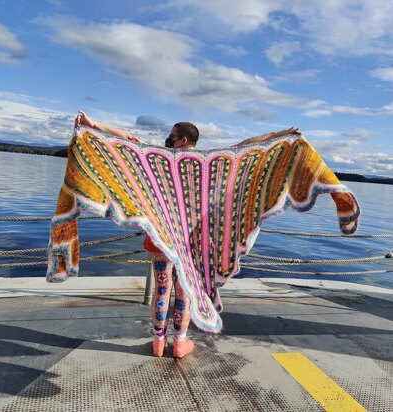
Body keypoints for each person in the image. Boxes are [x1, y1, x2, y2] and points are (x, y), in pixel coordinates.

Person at [75, 111, 300, 358]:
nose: (168, 139)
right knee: (184, 292)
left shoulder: (158, 159)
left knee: (162, 289)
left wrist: (93, 125)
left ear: (183, 139)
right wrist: (280, 136)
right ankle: (180, 343)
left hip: (161, 237)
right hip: (193, 242)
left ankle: (158, 342)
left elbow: (127, 138)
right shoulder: (209, 163)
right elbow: (250, 145)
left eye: (172, 136)